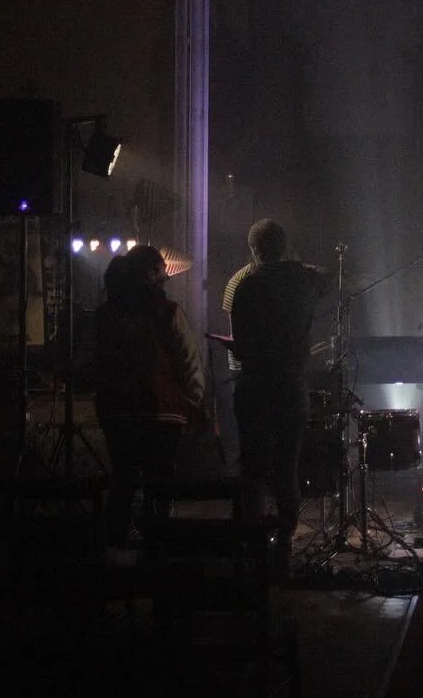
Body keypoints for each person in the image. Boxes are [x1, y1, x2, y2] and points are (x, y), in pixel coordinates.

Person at [228, 219, 332, 568]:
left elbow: (240, 348)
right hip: (291, 384)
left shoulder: (247, 285)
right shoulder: (305, 280)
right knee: (287, 466)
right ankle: (284, 540)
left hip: (255, 383)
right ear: (285, 246)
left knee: (252, 466)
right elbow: (327, 278)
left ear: (254, 250)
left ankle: (252, 543)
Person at [92, 245, 206, 552]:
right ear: (148, 273)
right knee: (160, 483)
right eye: (160, 271)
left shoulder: (105, 314)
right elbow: (188, 361)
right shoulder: (167, 310)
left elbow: (94, 361)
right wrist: (194, 402)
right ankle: (158, 549)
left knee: (123, 479)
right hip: (162, 410)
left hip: (117, 411)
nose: (166, 278)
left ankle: (114, 551)